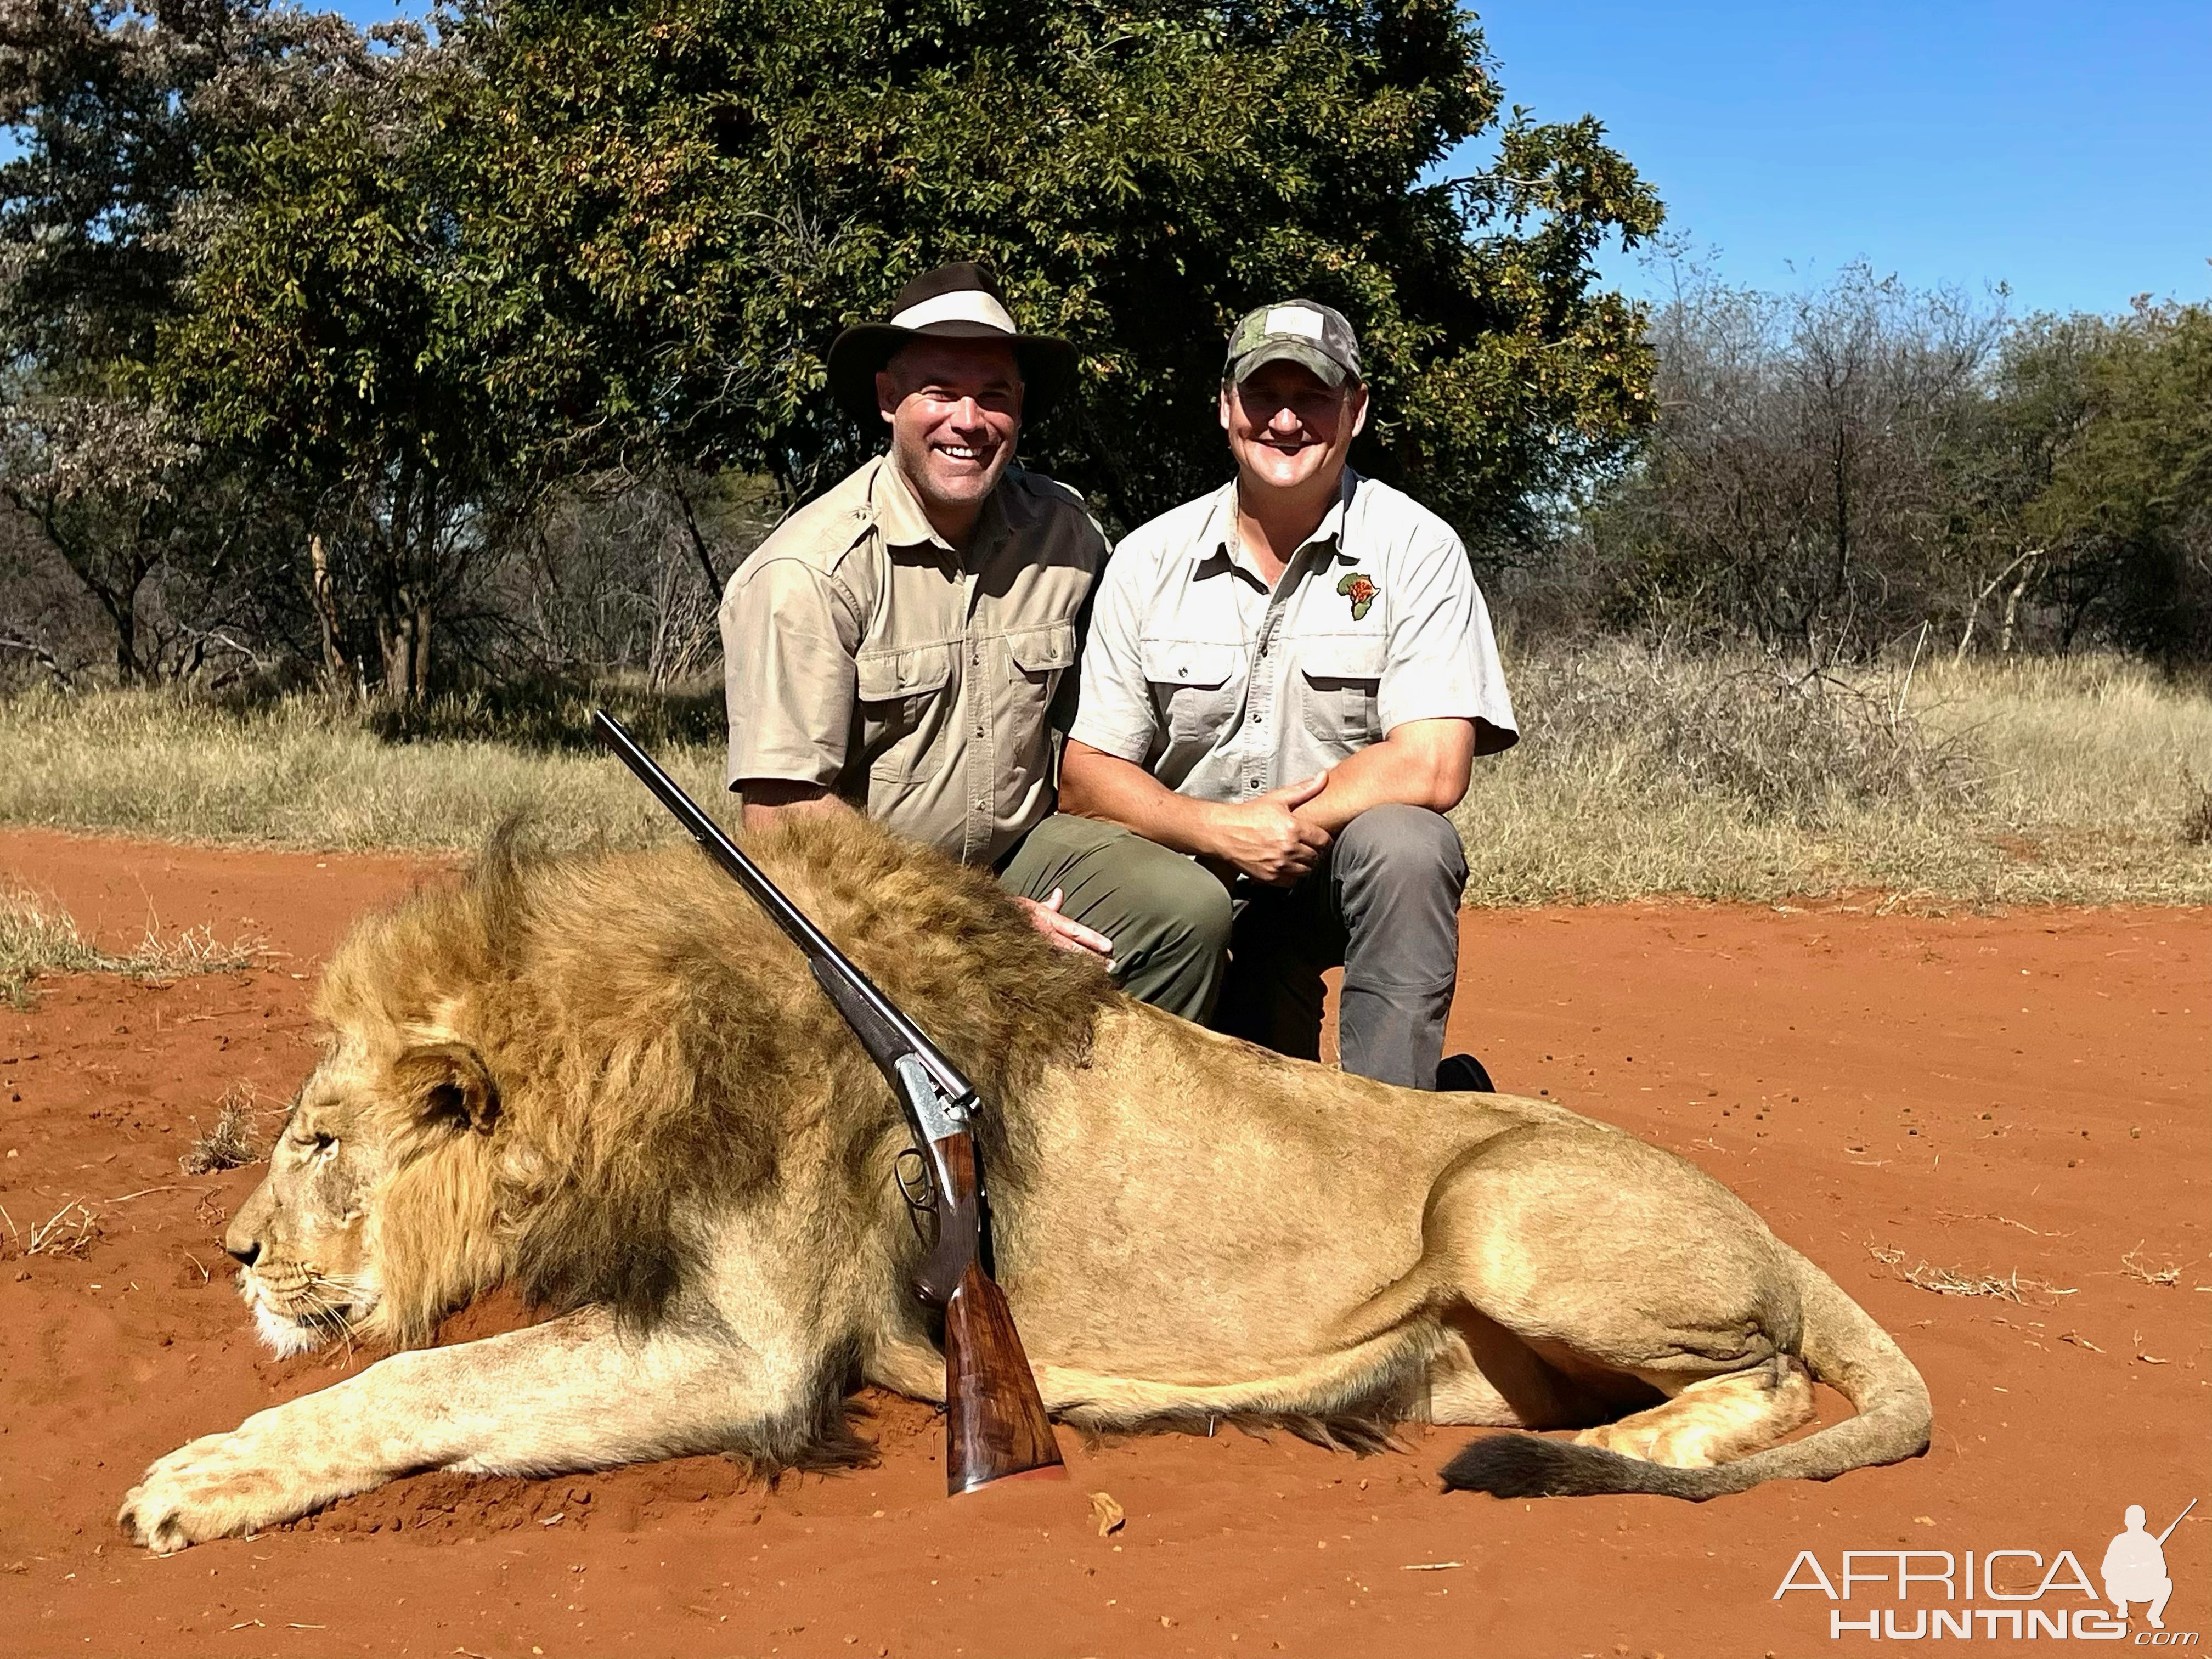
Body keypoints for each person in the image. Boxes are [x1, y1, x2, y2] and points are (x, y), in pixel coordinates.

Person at [718, 261, 1230, 1018]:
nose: (969, 419)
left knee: (1186, 909)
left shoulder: (1067, 532)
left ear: (1020, 410)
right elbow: (781, 818)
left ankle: (1107, 1122)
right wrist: (973, 914)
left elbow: (1119, 724)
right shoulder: (809, 572)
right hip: (861, 895)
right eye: (940, 392)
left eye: (994, 396)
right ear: (889, 401)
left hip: (1021, 859)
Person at [1058, 298, 1517, 1089]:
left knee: (1411, 847)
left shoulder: (1417, 547)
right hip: (1184, 887)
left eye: (1312, 397)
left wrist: (1278, 828)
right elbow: (1086, 773)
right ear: (1226, 406)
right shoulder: (1146, 559)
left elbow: (1436, 766)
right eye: (1263, 396)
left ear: (1357, 408)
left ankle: (1392, 1130)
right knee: (1238, 1099)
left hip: (1321, 883)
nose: (1284, 421)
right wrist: (1222, 832)